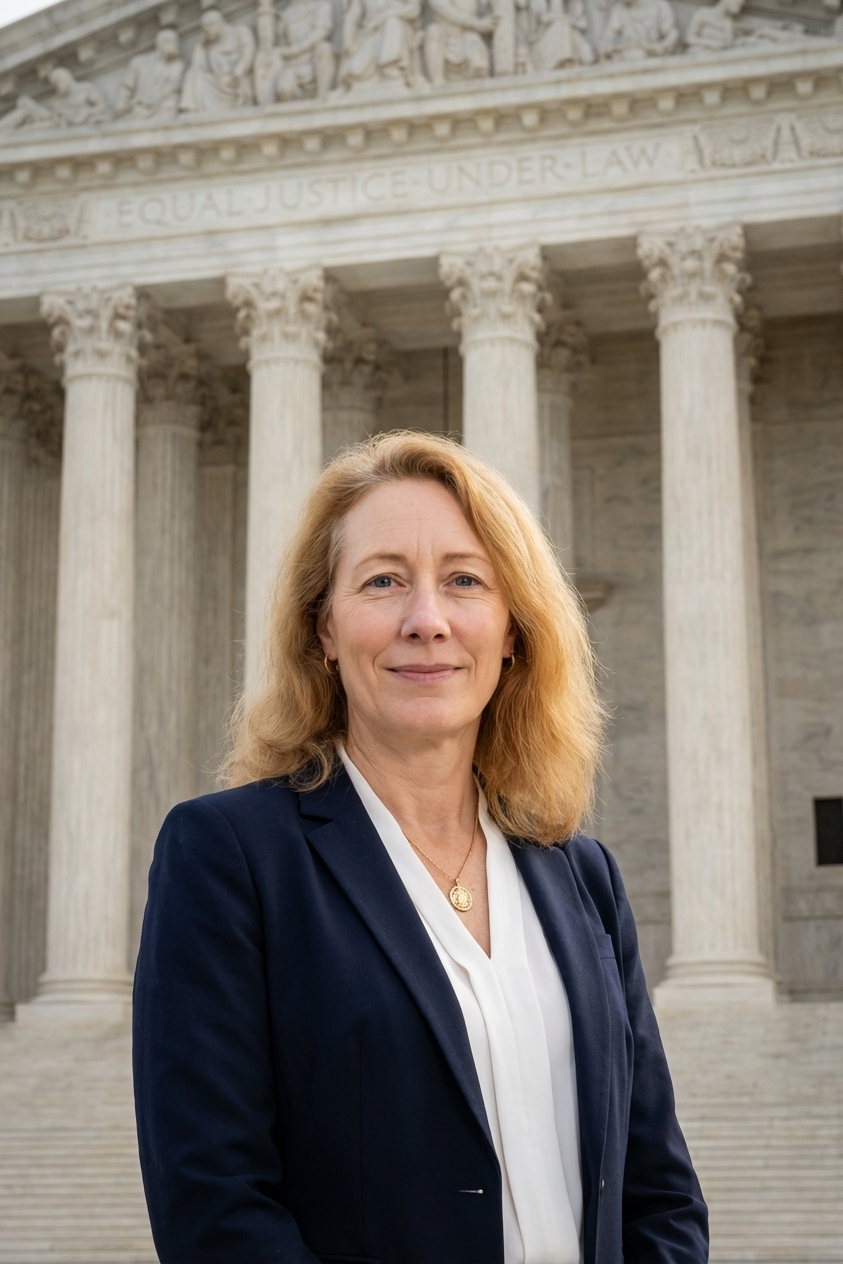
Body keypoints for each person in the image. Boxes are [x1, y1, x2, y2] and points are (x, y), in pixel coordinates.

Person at [133, 431, 708, 1264]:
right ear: (323, 629)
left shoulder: (580, 873)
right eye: (383, 582)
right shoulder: (228, 856)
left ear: (512, 630)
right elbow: (214, 1204)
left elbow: (659, 1188)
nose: (426, 621)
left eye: (465, 581)